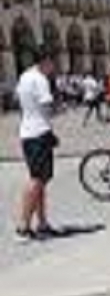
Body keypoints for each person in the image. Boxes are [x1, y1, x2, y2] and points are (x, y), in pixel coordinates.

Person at [14, 50, 60, 240]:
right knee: (36, 180)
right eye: (52, 62)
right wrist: (57, 108)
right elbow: (48, 106)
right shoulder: (40, 79)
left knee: (40, 180)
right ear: (46, 61)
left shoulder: (24, 76)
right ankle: (23, 226)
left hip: (27, 132)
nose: (54, 67)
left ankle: (42, 223)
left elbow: (20, 104)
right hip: (39, 133)